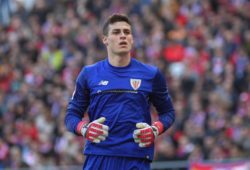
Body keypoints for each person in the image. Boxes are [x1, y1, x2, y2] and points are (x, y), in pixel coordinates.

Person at [64, 13, 175, 170]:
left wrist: (155, 129)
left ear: (132, 39)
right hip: (99, 157)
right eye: (116, 32)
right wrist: (85, 129)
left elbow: (168, 112)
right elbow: (71, 115)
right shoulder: (89, 74)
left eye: (127, 32)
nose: (123, 36)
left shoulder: (151, 74)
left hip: (136, 158)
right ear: (105, 39)